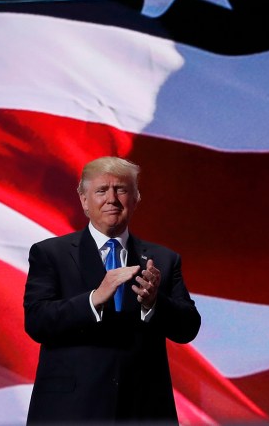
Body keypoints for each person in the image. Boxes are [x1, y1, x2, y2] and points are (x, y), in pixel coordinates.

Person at [23, 156, 201, 424]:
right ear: (84, 200)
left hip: (144, 410)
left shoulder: (164, 259)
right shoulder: (50, 254)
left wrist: (154, 303)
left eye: (121, 189)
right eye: (101, 190)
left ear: (136, 198)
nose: (112, 199)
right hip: (71, 410)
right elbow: (37, 321)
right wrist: (94, 299)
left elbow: (188, 327)